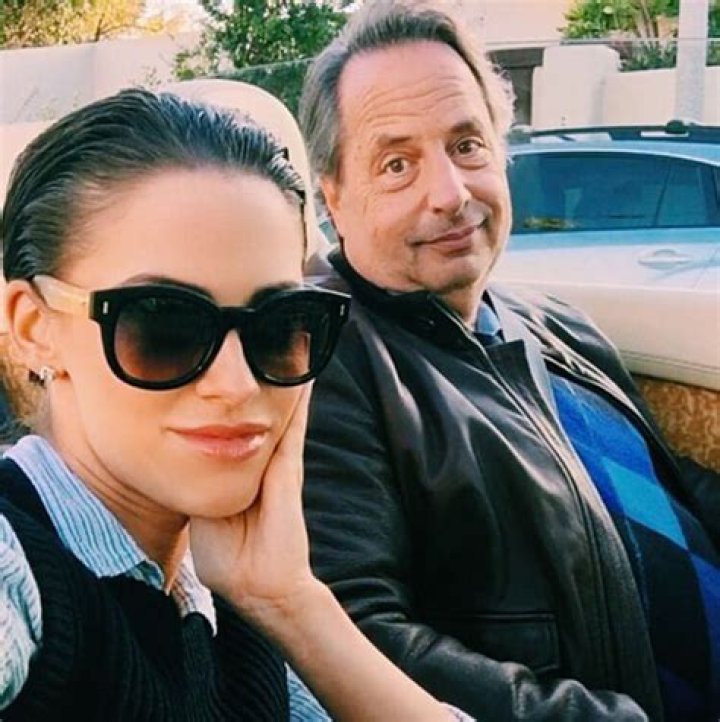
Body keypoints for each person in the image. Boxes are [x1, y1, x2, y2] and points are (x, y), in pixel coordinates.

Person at [298, 2, 720, 721]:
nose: (450, 194)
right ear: (333, 197)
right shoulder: (323, 360)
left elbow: (674, 492)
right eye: (397, 165)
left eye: (467, 145)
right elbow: (358, 636)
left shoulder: (559, 326)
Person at [0, 88, 471, 721]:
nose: (238, 382)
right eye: (164, 325)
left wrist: (291, 603)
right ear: (35, 328)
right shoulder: (16, 567)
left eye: (280, 325)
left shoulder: (230, 611)